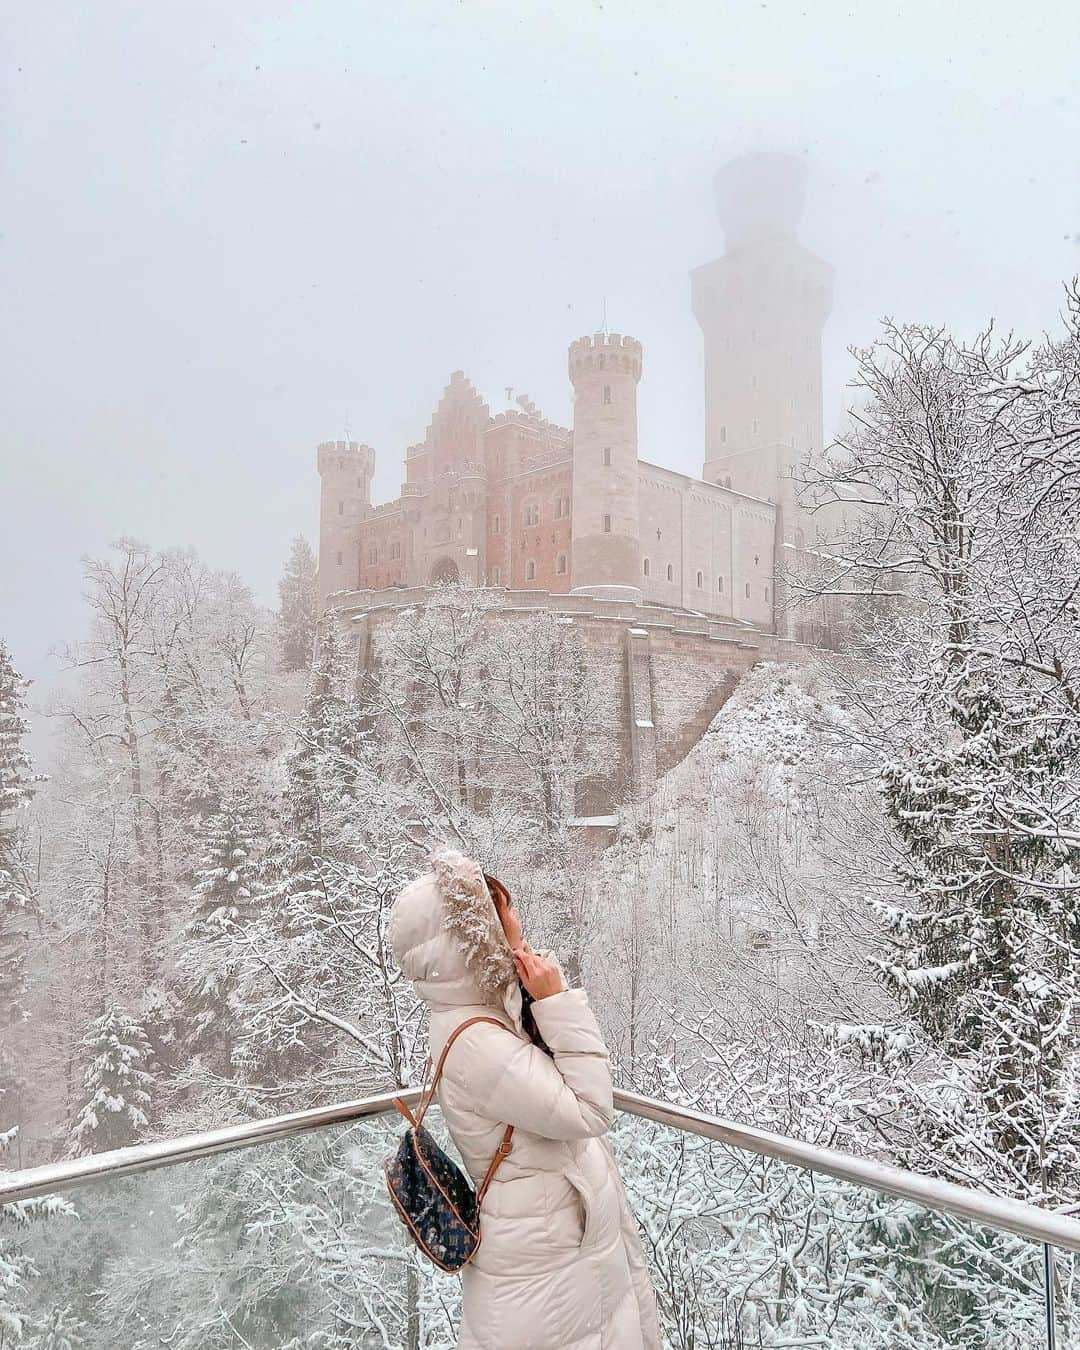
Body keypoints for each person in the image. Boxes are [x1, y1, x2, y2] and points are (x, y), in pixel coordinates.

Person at [389, 845, 663, 1350]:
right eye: (508, 918)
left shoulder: (480, 1017)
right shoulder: (478, 1042)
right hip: (545, 1268)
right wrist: (557, 999)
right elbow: (591, 1108)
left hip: (551, 1248)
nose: (519, 926)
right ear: (475, 942)